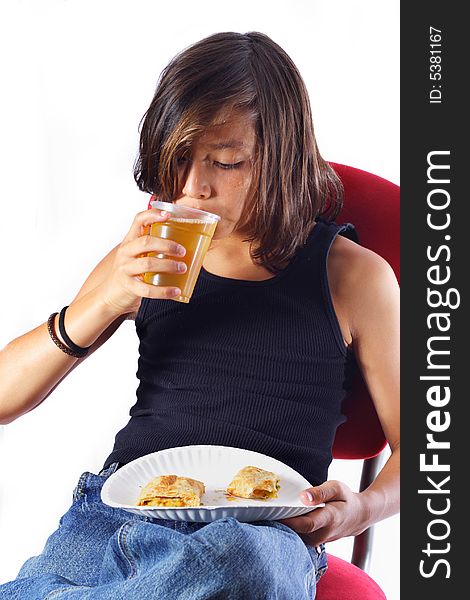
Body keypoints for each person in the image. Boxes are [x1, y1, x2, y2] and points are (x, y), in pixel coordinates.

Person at [0, 31, 399, 599]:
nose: (194, 188)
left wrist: (363, 508)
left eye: (226, 162)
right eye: (180, 159)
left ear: (284, 156)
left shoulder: (353, 276)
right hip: (120, 514)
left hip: (264, 532)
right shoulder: (148, 255)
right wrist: (105, 300)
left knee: (237, 564)